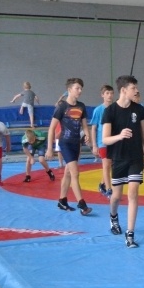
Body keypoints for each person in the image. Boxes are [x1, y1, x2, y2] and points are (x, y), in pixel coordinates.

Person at [102, 75, 144, 248]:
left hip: (135, 157)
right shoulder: (110, 111)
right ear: (123, 90)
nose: (136, 90)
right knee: (116, 196)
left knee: (133, 192)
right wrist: (120, 135)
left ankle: (130, 233)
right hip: (118, 158)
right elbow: (105, 139)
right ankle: (113, 217)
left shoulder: (139, 110)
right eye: (133, 88)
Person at [46, 78, 92, 215]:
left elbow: (84, 124)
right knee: (75, 173)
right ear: (69, 90)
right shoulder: (62, 107)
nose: (80, 91)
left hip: (76, 143)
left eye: (81, 88)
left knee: (67, 173)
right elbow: (51, 128)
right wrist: (50, 148)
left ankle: (62, 200)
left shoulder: (81, 106)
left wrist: (87, 134)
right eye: (77, 88)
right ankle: (82, 204)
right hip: (65, 143)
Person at [90, 84, 114, 198]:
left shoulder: (115, 108)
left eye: (111, 93)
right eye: (107, 93)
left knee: (110, 164)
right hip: (102, 141)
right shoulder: (98, 110)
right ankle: (109, 189)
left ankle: (102, 184)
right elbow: (94, 128)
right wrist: (94, 145)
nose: (110, 96)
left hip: (113, 141)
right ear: (102, 95)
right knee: (106, 164)